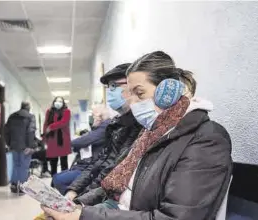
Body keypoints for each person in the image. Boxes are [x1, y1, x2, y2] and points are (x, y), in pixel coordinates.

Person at [42, 51, 233, 220]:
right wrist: (78, 206)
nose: (133, 103)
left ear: (169, 91)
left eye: (139, 93)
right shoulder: (152, 133)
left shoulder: (206, 140)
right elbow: (115, 187)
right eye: (130, 93)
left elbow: (176, 216)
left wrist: (83, 216)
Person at [64, 63, 142, 200]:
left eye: (114, 86)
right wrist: (74, 190)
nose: (110, 92)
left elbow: (112, 170)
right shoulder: (118, 125)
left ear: (132, 87)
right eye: (109, 87)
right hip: (99, 191)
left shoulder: (139, 125)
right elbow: (100, 162)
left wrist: (81, 200)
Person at [52, 105, 111, 195]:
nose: (92, 118)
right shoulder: (99, 128)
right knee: (56, 177)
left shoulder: (104, 127)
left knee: (58, 179)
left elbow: (85, 140)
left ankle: (74, 200)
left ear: (100, 116)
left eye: (93, 115)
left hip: (92, 167)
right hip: (87, 164)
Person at [4, 101, 36, 194]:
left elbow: (6, 131)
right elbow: (31, 131)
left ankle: (14, 185)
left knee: (16, 165)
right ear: (28, 107)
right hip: (25, 147)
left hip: (14, 146)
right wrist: (30, 146)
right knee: (24, 167)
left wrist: (9, 143)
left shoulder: (12, 116)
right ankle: (22, 187)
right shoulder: (30, 117)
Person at [43, 96, 72, 176]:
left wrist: (51, 127)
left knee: (64, 163)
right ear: (53, 102)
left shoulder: (67, 111)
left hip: (63, 140)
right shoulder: (49, 111)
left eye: (60, 101)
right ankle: (53, 182)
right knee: (53, 164)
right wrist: (45, 138)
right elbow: (45, 124)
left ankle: (64, 180)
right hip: (52, 140)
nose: (58, 103)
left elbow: (63, 122)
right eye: (56, 101)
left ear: (63, 103)